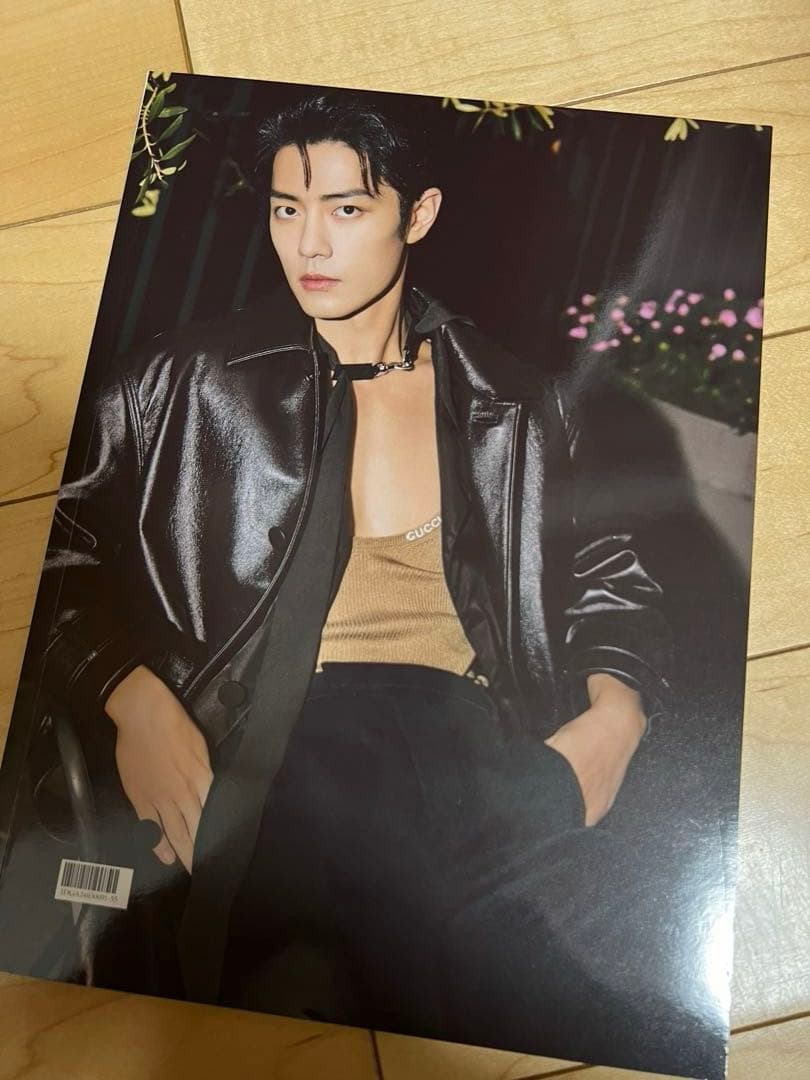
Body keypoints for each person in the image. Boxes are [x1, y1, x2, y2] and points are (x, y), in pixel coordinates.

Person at [13, 89, 675, 1064]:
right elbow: (51, 550)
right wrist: (132, 695)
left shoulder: (516, 405)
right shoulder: (183, 382)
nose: (309, 244)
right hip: (270, 747)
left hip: (479, 760)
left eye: (347, 209)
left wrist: (617, 715)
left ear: (420, 214)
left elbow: (614, 572)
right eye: (287, 208)